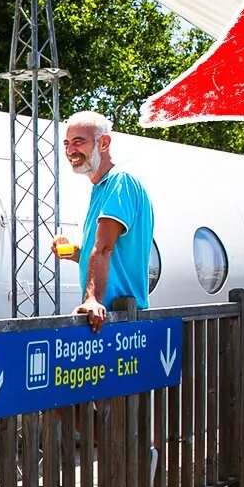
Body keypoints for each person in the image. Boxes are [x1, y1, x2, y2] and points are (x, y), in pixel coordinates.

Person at [51, 110, 155, 333]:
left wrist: (92, 299)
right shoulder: (101, 188)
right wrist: (75, 252)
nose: (70, 151)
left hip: (116, 318)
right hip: (109, 318)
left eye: (79, 142)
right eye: (67, 143)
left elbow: (104, 248)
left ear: (104, 143)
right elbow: (111, 251)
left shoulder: (120, 181)